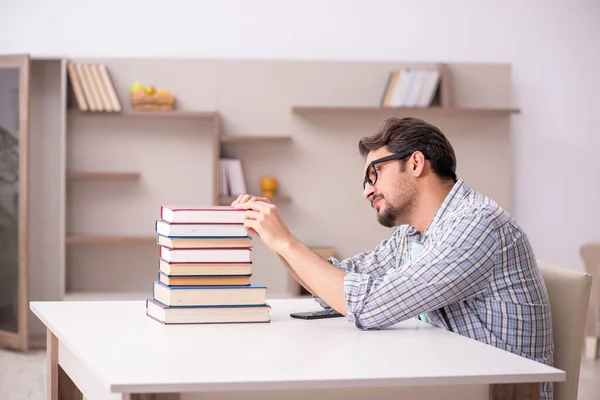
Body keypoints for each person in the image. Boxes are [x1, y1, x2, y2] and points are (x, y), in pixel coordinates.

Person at [232, 116, 554, 400]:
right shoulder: (413, 233)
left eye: (375, 174)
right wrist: (275, 240)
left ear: (415, 163)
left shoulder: (476, 224)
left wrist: (287, 243)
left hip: (500, 391)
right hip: (452, 377)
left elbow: (369, 306)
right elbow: (338, 290)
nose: (367, 192)